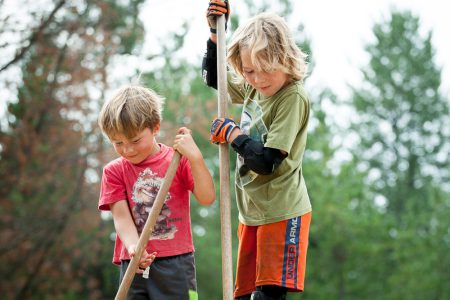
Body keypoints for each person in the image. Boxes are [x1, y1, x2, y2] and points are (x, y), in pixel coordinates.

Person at [202, 2, 312, 300]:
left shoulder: (292, 97)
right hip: (251, 212)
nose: (257, 79)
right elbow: (214, 79)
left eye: (265, 71)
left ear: (285, 60)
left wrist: (234, 135)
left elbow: (267, 161)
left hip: (282, 211)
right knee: (243, 295)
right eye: (249, 71)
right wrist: (215, 34)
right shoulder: (254, 86)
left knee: (267, 296)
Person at [97, 84, 215, 299]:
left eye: (134, 140)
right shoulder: (113, 171)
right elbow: (121, 218)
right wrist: (135, 248)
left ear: (155, 127)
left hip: (176, 262)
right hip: (134, 262)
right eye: (118, 143)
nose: (128, 149)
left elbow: (207, 198)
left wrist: (196, 158)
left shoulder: (178, 160)